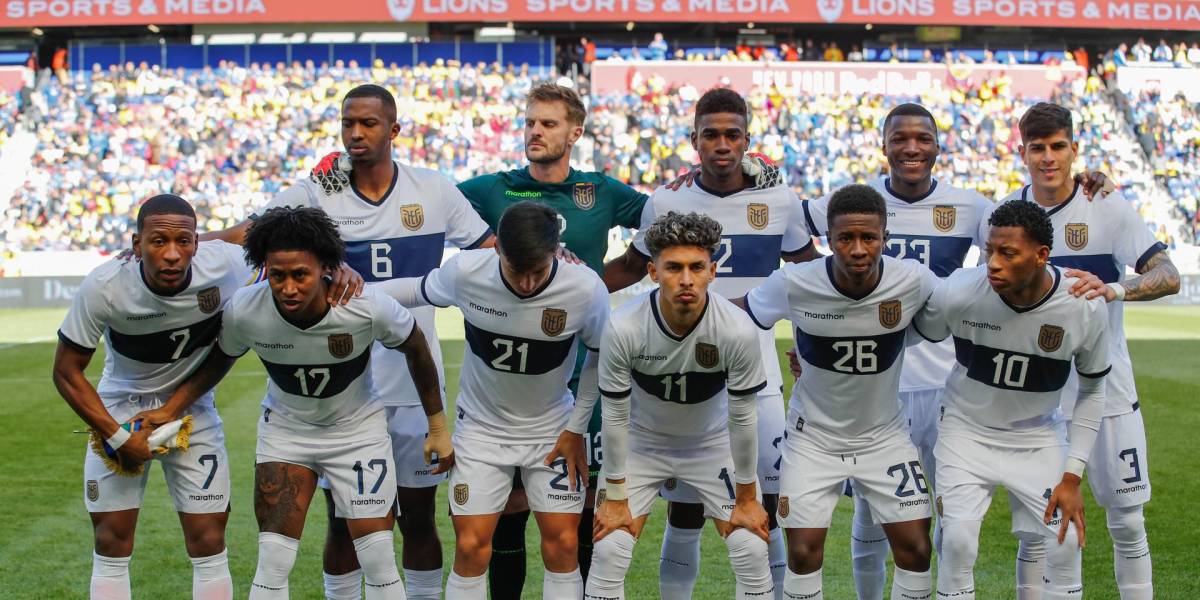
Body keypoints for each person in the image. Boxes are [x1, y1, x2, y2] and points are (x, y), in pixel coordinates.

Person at [452, 82, 779, 599]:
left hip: (593, 365)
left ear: (574, 132)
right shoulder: (492, 188)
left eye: (549, 123)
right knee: (507, 510)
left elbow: (667, 218)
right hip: (520, 379)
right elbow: (419, 202)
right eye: (531, 122)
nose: (536, 131)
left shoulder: (600, 192)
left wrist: (745, 180)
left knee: (582, 509)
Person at [797, 102, 1112, 600]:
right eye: (899, 139)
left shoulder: (970, 207)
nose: (911, 149)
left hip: (945, 378)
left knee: (940, 526)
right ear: (883, 146)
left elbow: (1026, 231)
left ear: (938, 147)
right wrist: (824, 328)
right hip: (884, 380)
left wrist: (1080, 185)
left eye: (922, 138)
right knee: (871, 510)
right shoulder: (849, 202)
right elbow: (781, 222)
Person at [212, 83, 493, 600]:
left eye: (367, 123)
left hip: (411, 380)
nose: (356, 133)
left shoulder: (434, 190)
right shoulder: (319, 187)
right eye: (347, 123)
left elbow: (489, 250)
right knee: (342, 521)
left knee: (417, 517)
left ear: (394, 129)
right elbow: (253, 232)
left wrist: (554, 259)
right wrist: (186, 239)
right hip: (344, 393)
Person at [141, 205, 451, 600]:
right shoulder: (245, 310)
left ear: (325, 267)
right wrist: (170, 410)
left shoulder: (364, 306)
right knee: (273, 560)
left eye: (300, 275)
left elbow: (416, 347)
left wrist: (437, 426)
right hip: (286, 432)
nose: (288, 288)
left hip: (357, 432)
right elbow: (220, 359)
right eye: (277, 276)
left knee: (377, 557)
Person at [605, 86, 808, 599]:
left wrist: (809, 341)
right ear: (693, 140)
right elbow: (631, 268)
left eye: (732, 134)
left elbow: (810, 277)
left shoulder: (779, 199)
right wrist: (565, 286)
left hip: (753, 370)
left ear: (747, 140)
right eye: (711, 134)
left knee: (767, 502)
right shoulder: (668, 199)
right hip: (682, 368)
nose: (722, 144)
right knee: (687, 505)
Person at [380, 201, 611, 599]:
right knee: (471, 547)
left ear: (556, 251)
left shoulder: (585, 287)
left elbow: (600, 356)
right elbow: (412, 290)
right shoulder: (466, 271)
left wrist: (576, 428)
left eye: (536, 273)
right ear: (497, 250)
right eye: (515, 271)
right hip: (481, 433)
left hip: (551, 431)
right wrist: (338, 285)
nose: (525, 284)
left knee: (563, 546)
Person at [997, 102, 1181, 600]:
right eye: (1038, 148)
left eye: (1058, 146)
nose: (1049, 158)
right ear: (1024, 153)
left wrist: (1114, 289)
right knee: (1042, 533)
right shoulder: (1009, 215)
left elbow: (1168, 275)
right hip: (1039, 404)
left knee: (1127, 521)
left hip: (1110, 395)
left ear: (1074, 149)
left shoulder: (1106, 207)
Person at [742, 184, 939, 599]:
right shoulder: (794, 282)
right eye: (845, 238)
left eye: (869, 237)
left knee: (917, 548)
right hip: (813, 439)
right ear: (827, 240)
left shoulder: (914, 280)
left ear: (885, 237)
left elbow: (967, 300)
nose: (858, 248)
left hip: (885, 436)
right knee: (802, 552)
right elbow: (738, 315)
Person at [53, 194, 248, 600]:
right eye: (158, 241)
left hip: (191, 407)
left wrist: (338, 267)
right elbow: (66, 371)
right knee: (112, 540)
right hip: (119, 409)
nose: (173, 254)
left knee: (209, 538)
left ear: (198, 242)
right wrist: (119, 438)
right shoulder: (105, 285)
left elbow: (264, 232)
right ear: (136, 243)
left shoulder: (224, 264)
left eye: (184, 241)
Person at [915, 200, 1110, 600]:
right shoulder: (960, 291)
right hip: (964, 433)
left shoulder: (1084, 306)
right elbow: (911, 331)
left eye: (1008, 253)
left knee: (1066, 541)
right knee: (956, 543)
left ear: (1041, 256)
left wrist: (1072, 476)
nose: (994, 264)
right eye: (989, 251)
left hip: (1036, 436)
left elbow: (1092, 390)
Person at [585, 211, 773, 600]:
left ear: (712, 271)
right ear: (653, 272)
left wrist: (748, 497)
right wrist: (617, 495)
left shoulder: (736, 329)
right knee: (609, 549)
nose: (685, 279)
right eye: (673, 268)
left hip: (711, 443)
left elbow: (742, 418)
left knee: (751, 548)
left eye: (696, 267)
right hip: (642, 443)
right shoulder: (624, 326)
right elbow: (616, 416)